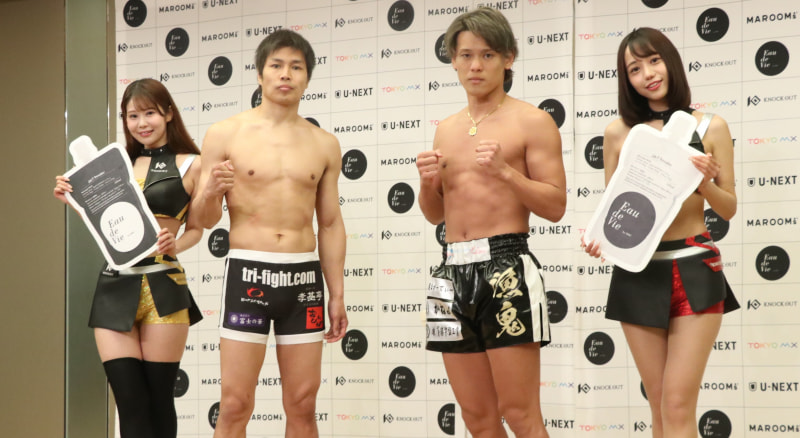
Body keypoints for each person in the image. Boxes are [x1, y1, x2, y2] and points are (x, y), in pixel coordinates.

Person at [582, 27, 739, 438]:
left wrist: (704, 182)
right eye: (634, 68)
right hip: (637, 273)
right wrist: (603, 241)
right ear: (626, 79)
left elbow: (728, 207)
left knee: (677, 404)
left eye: (654, 61)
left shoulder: (712, 126)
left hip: (694, 267)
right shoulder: (618, 133)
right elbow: (619, 210)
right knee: (658, 404)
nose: (648, 74)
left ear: (670, 61)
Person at [417, 8, 566, 438]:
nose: (475, 66)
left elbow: (555, 205)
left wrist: (506, 173)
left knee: (520, 415)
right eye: (466, 56)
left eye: (487, 55)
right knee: (476, 419)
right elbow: (435, 214)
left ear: (508, 58)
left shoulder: (532, 120)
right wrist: (427, 184)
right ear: (453, 61)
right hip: (449, 272)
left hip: (506, 267)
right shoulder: (446, 129)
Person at [192, 29, 347, 438]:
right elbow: (205, 218)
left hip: (303, 279)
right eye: (276, 65)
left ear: (307, 78)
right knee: (234, 403)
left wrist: (337, 294)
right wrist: (210, 191)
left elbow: (330, 223)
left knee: (303, 403)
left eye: (296, 67)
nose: (286, 74)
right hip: (248, 273)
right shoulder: (225, 134)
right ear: (260, 74)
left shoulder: (324, 144)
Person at [53, 78, 204, 438]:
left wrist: (175, 244)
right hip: (114, 287)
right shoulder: (113, 163)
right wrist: (74, 200)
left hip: (164, 287)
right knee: (129, 405)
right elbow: (106, 225)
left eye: (150, 113)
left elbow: (198, 229)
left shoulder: (193, 165)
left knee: (159, 402)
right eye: (132, 116)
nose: (141, 123)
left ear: (168, 113)